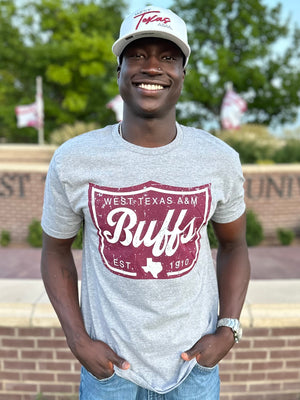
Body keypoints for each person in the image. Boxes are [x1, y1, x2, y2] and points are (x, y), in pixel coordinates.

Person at [41, 6, 250, 400]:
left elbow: (234, 245)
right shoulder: (75, 159)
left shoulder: (218, 159)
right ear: (118, 71)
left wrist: (228, 329)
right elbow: (55, 250)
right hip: (110, 371)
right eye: (137, 55)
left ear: (182, 75)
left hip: (193, 369)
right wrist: (77, 339)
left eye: (168, 57)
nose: (152, 66)